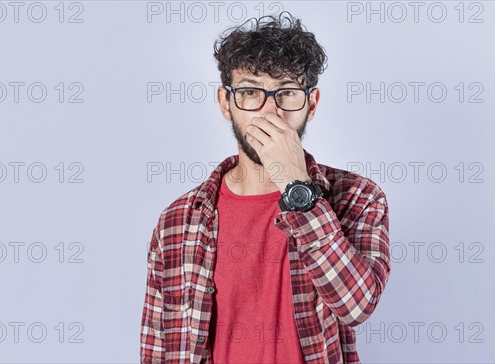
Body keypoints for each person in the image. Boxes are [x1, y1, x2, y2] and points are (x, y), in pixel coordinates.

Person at [140, 11, 391, 364]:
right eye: (249, 91)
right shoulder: (177, 222)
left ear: (312, 103)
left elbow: (356, 305)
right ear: (226, 103)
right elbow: (158, 347)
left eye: (286, 92)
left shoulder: (357, 198)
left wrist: (296, 186)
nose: (269, 111)